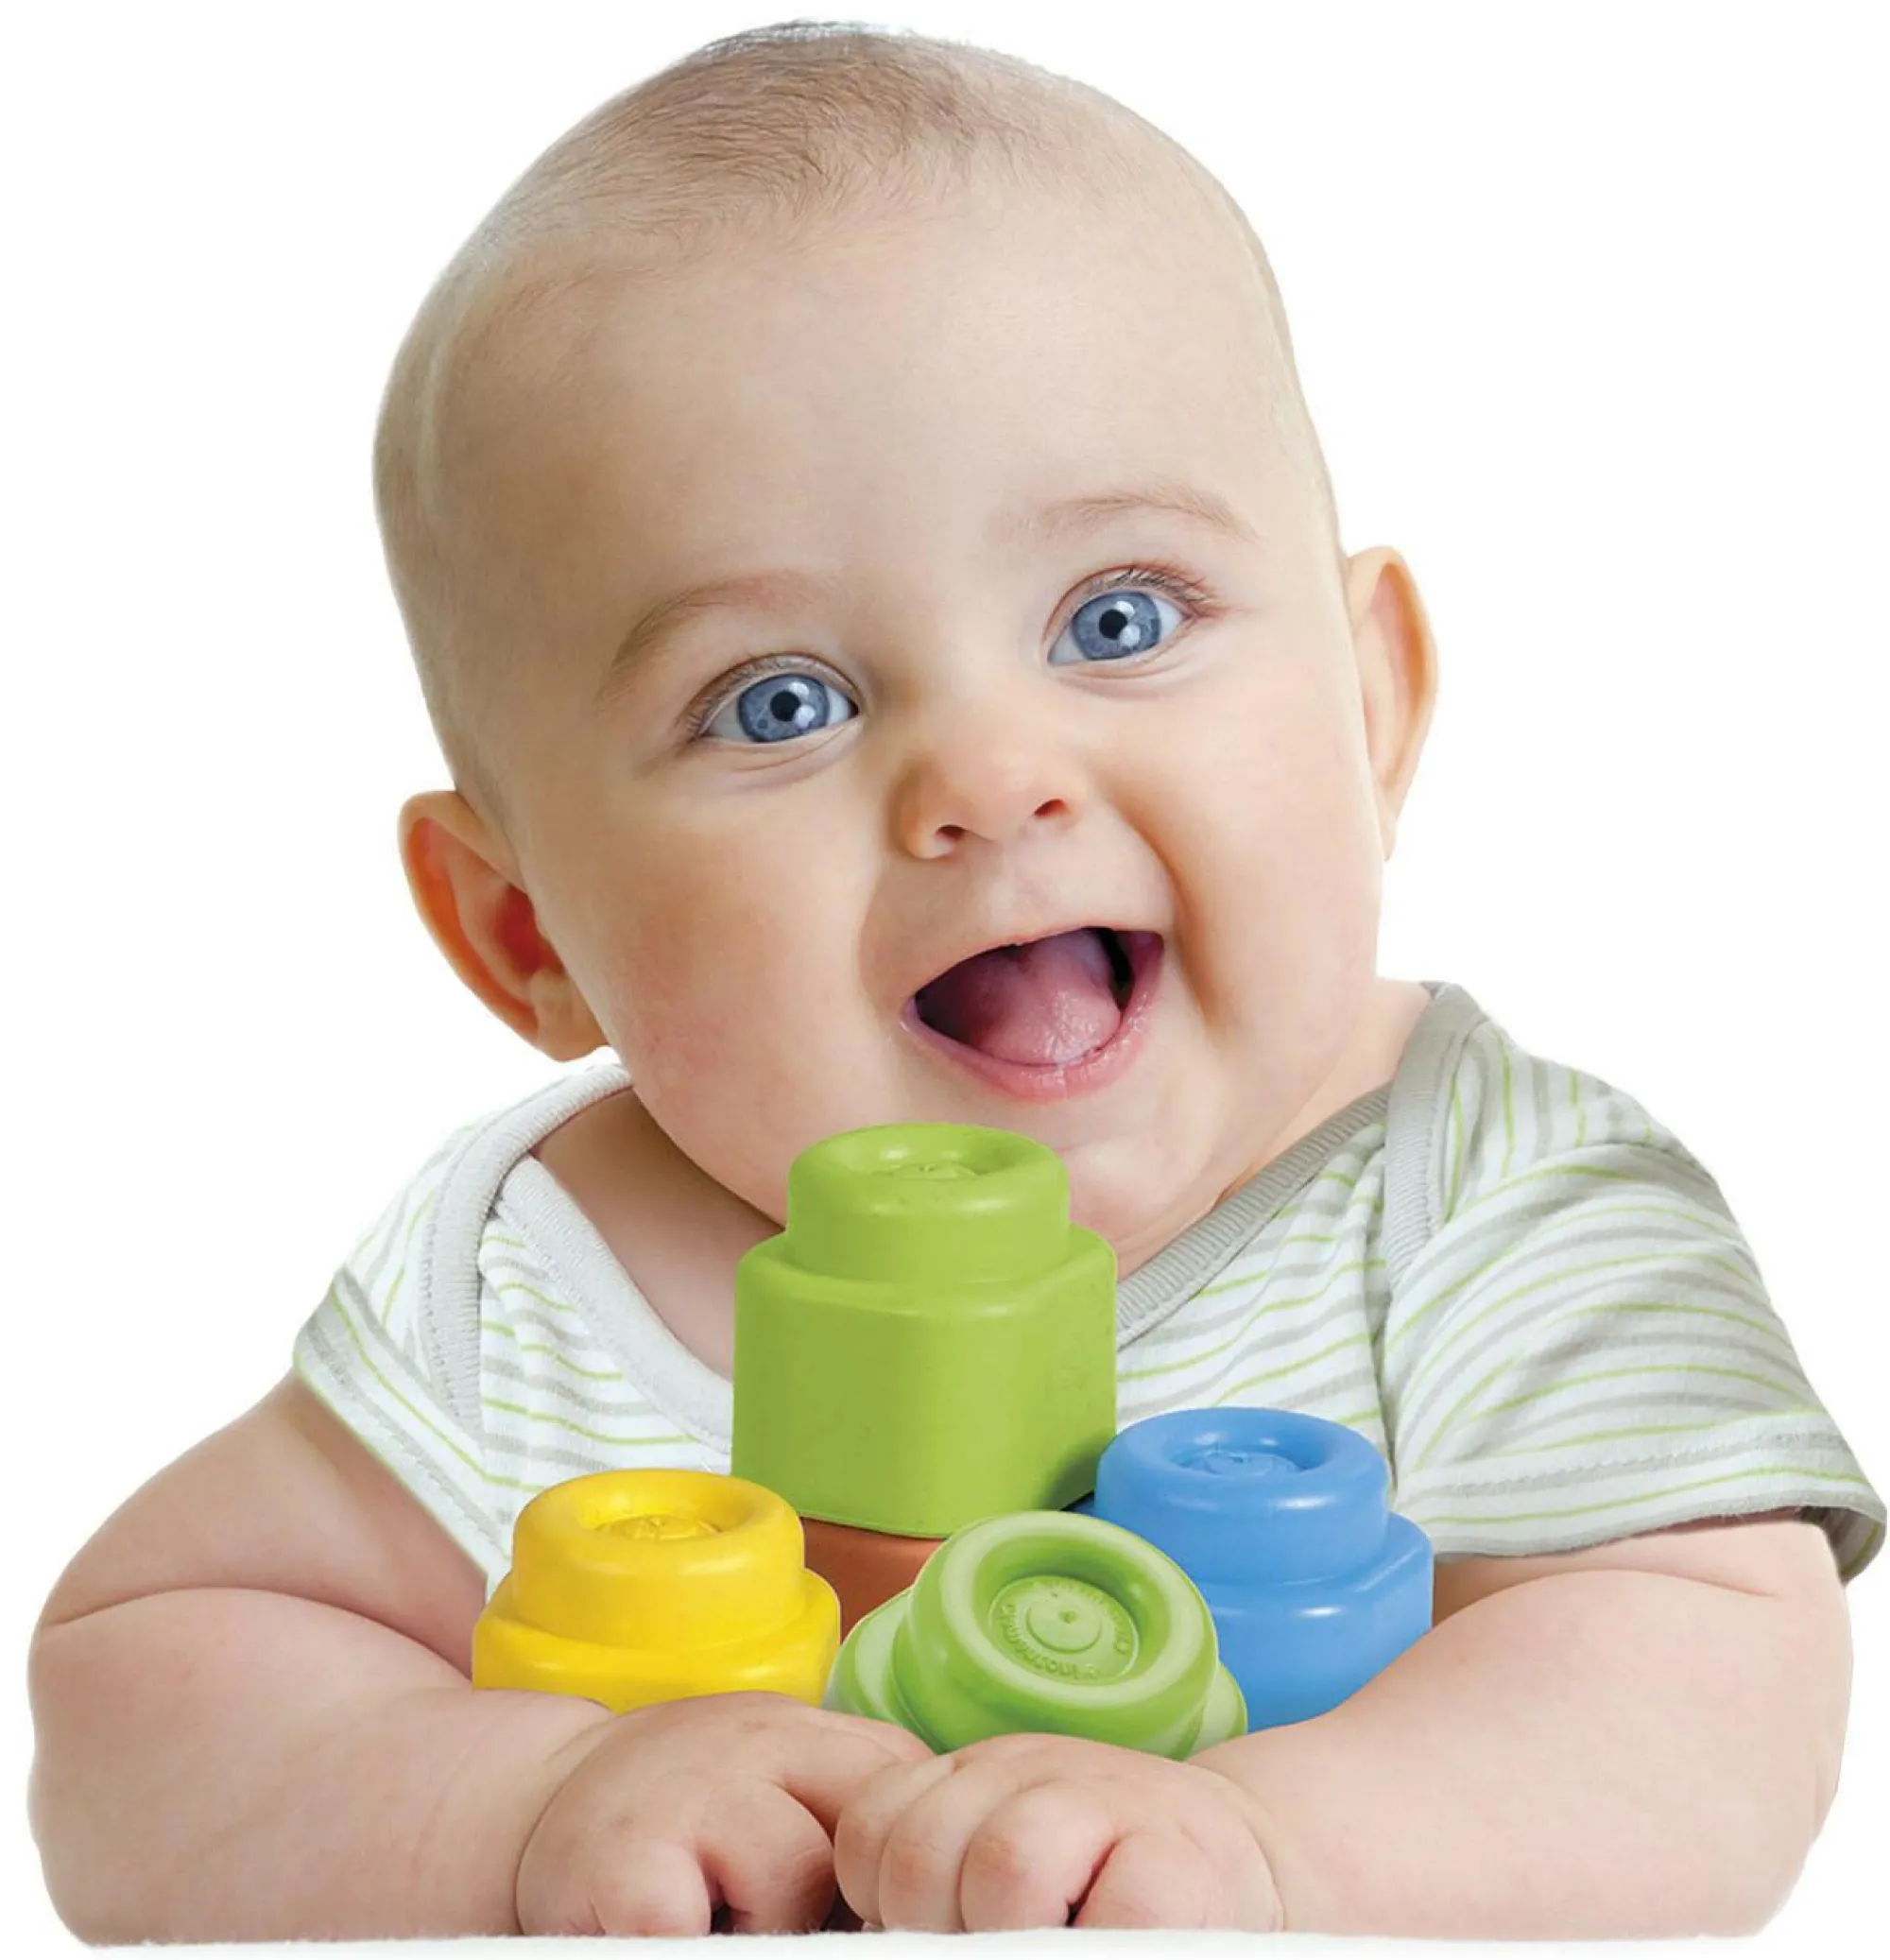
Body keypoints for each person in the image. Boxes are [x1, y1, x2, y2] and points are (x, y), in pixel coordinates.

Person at [26, 19, 1881, 1941]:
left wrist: (1282, 1850)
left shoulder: (1494, 1197)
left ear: (1372, 702)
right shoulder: (533, 1281)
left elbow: (1709, 1690)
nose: (989, 775)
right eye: (780, 702)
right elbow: (142, 1693)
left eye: (1117, 617)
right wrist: (519, 1806)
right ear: (527, 932)